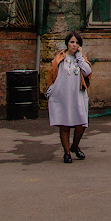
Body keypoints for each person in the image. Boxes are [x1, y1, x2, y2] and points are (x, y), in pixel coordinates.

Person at [46, 32, 91, 163]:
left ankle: (75, 146)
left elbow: (87, 72)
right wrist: (51, 91)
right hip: (63, 95)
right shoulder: (60, 58)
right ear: (67, 43)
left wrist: (80, 57)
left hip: (78, 95)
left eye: (77, 43)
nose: (74, 45)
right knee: (64, 124)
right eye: (72, 42)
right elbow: (53, 75)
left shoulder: (81, 58)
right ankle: (66, 152)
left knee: (81, 123)